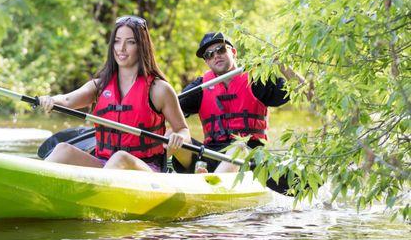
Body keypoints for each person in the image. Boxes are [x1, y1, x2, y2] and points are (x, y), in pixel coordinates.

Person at [38, 16, 190, 172]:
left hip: (145, 169)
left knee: (120, 157)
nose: (121, 48)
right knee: (63, 149)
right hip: (103, 164)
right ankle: (33, 184)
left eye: (130, 42)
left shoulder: (159, 89)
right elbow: (67, 99)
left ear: (142, 46)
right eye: (117, 41)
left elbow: (183, 130)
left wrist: (178, 138)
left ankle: (94, 192)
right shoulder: (100, 85)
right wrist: (50, 100)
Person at [173, 32, 299, 173]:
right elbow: (170, 109)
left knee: (238, 147)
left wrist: (283, 66)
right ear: (206, 62)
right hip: (210, 154)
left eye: (220, 50)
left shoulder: (257, 80)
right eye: (209, 55)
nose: (215, 56)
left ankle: (208, 183)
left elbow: (302, 90)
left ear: (233, 52)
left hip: (248, 156)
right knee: (172, 136)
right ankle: (153, 176)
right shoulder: (200, 86)